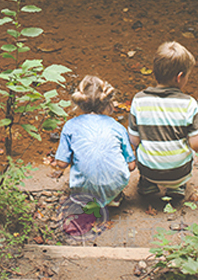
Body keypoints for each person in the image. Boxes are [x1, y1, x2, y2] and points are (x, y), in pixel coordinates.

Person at [128, 41, 198, 202]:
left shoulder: (139, 100)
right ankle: (176, 186)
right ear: (179, 78)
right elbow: (197, 145)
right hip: (178, 171)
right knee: (187, 152)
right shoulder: (189, 103)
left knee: (143, 149)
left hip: (149, 169)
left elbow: (134, 140)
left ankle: (147, 184)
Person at [53, 75, 137, 209]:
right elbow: (131, 165)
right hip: (114, 186)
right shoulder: (117, 127)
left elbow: (62, 163)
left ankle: (86, 196)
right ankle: (113, 197)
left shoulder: (70, 126)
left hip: (83, 193)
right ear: (108, 103)